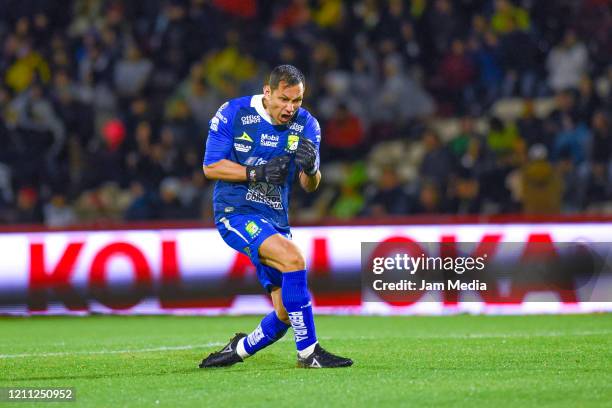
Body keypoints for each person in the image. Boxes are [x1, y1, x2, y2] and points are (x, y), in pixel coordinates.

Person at [199, 65, 353, 369]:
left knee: (285, 313)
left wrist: (311, 169)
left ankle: (238, 349)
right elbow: (211, 167)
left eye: (297, 101)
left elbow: (311, 185)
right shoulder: (234, 113)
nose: (290, 108)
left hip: (275, 220)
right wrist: (255, 172)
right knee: (294, 259)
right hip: (236, 213)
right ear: (267, 92)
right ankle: (309, 354)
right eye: (284, 99)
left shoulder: (308, 125)